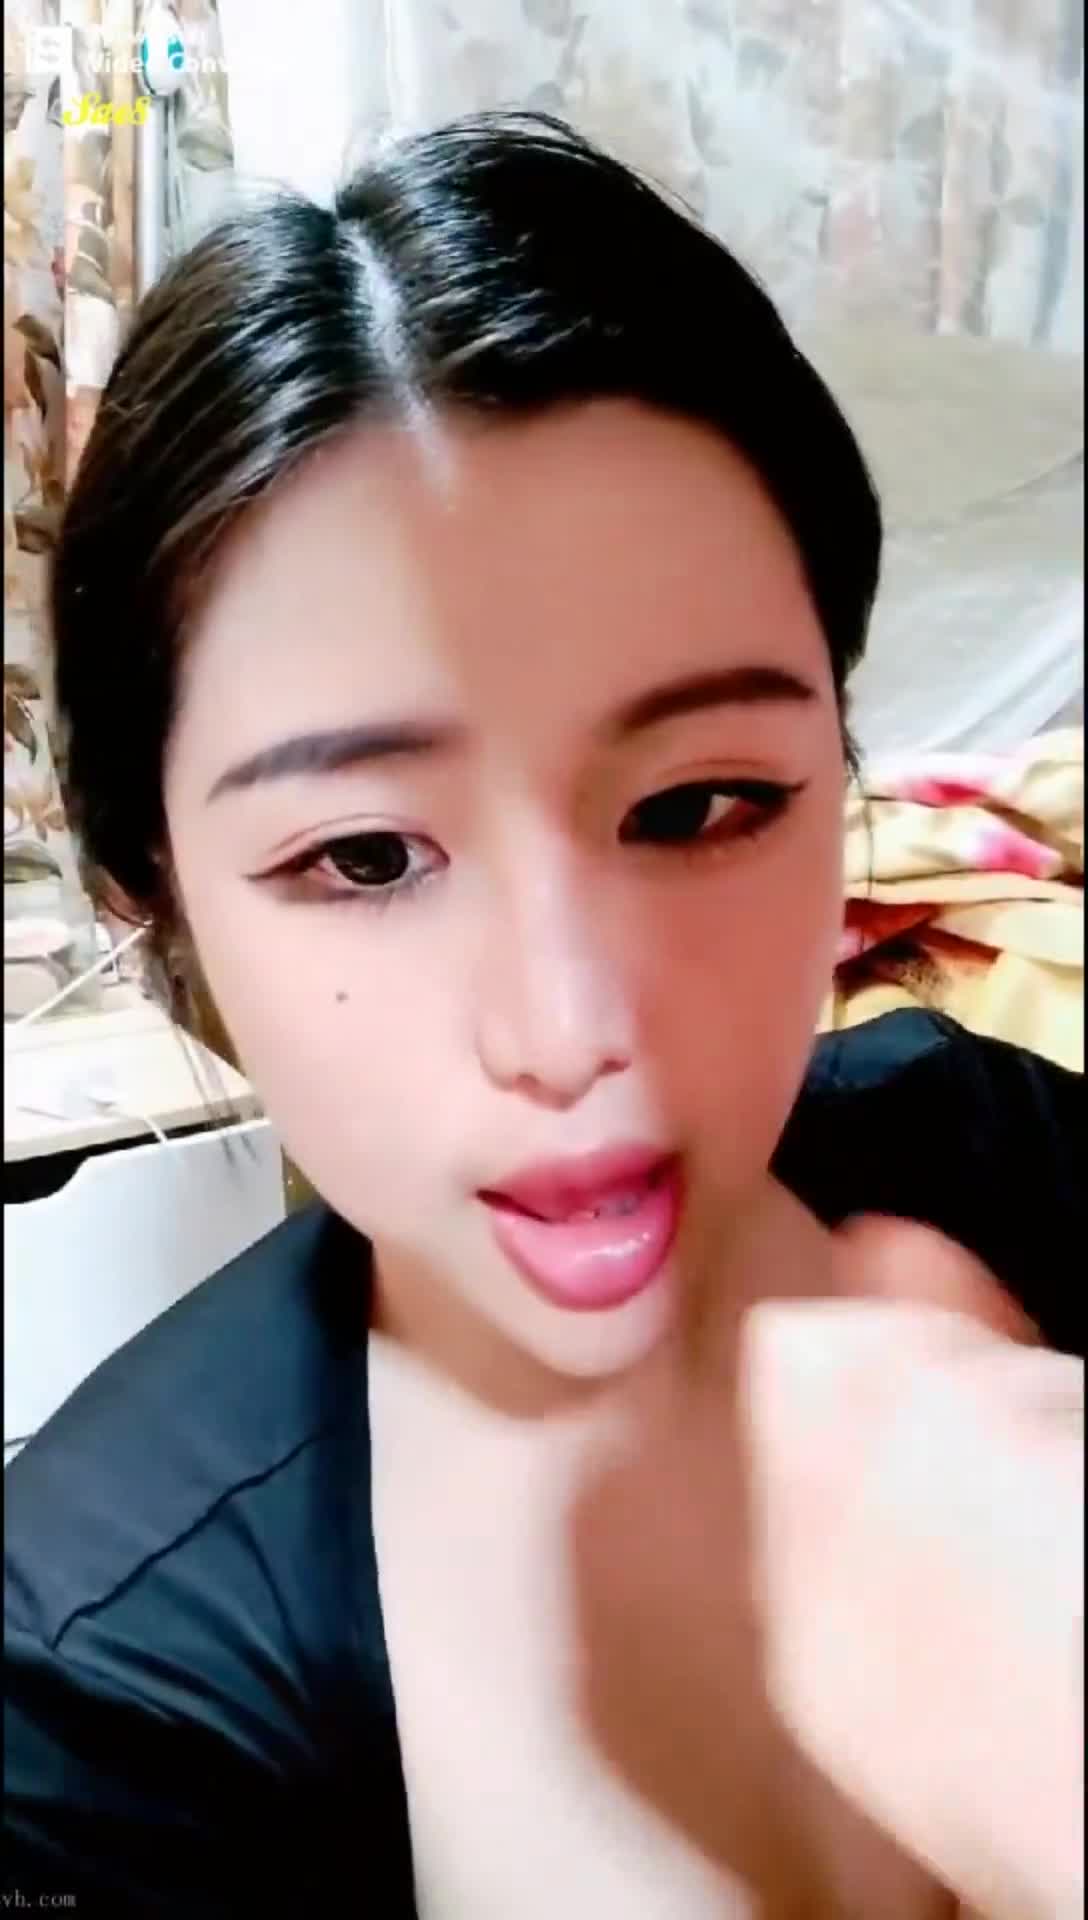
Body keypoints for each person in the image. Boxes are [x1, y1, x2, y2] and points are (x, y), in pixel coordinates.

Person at [4, 112, 1081, 1918]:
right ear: (152, 887)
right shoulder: (94, 1700)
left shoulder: (1008, 1153)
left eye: (701, 805)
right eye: (364, 856)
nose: (575, 1028)